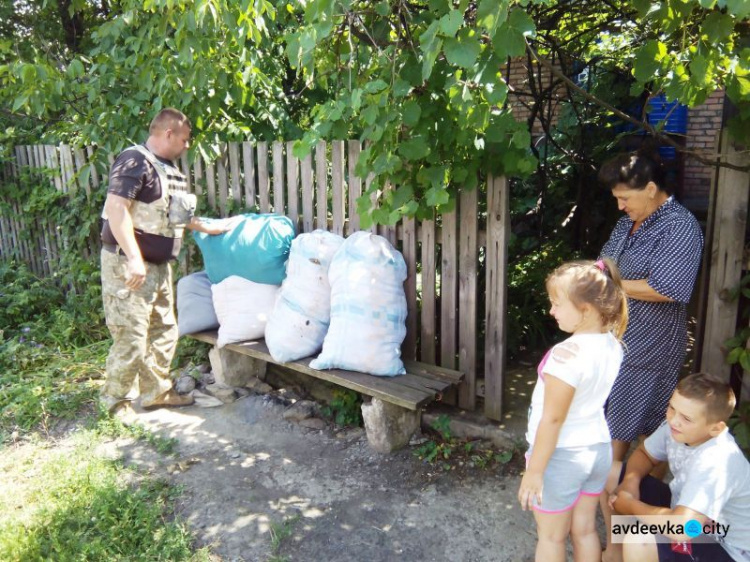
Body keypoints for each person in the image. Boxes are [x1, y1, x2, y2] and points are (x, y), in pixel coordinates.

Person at [99, 108, 231, 413]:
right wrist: (134, 258)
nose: (187, 146)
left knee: (164, 331)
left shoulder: (167, 169)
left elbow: (175, 216)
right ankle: (114, 402)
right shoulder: (134, 161)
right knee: (130, 336)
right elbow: (117, 209)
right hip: (128, 266)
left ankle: (156, 392)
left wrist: (208, 226)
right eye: (185, 139)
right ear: (168, 133)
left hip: (158, 268)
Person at [518, 258, 628, 562]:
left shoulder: (565, 355)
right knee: (585, 531)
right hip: (597, 450)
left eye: (557, 303)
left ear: (586, 309)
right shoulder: (613, 345)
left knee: (552, 538)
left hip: (562, 456)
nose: (551, 311)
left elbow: (553, 419)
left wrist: (535, 472)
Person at [598, 150, 703, 462]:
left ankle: (628, 500)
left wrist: (607, 286)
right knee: (612, 419)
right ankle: (618, 496)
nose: (620, 205)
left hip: (649, 344)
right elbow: (605, 265)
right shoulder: (626, 223)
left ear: (651, 189)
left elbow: (666, 288)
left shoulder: (679, 226)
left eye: (625, 198)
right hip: (616, 338)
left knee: (631, 429)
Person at [603, 373, 750, 562]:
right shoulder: (677, 427)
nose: (673, 420)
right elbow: (645, 454)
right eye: (672, 408)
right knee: (608, 473)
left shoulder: (716, 460)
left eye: (686, 418)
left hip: (726, 548)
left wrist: (631, 506)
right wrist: (630, 482)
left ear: (716, 429)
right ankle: (614, 556)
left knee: (640, 539)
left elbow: (683, 527)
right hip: (690, 516)